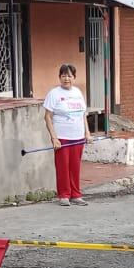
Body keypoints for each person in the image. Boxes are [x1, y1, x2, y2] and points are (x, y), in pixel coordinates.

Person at [43, 63, 88, 207]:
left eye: (69, 76)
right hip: (62, 137)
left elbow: (83, 115)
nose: (66, 78)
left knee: (75, 166)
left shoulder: (78, 92)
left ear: (74, 77)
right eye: (63, 76)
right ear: (59, 77)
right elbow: (47, 117)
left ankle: (76, 194)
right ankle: (64, 195)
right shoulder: (54, 94)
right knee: (63, 166)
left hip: (78, 137)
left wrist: (87, 133)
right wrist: (54, 138)